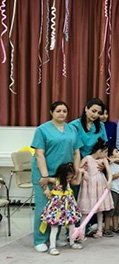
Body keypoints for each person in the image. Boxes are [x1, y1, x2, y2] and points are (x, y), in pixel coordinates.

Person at [31, 101, 82, 253]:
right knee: (44, 207)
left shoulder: (71, 129)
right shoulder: (42, 130)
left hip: (63, 175)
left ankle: (55, 237)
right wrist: (45, 176)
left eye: (64, 111)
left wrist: (75, 172)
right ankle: (40, 240)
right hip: (44, 173)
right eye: (58, 111)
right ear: (51, 112)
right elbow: (39, 154)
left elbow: (76, 152)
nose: (62, 113)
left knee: (61, 207)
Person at [39, 163, 82, 255]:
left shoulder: (68, 182)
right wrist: (46, 189)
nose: (69, 179)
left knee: (72, 225)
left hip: (68, 206)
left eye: (70, 177)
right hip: (57, 207)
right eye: (68, 177)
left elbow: (77, 182)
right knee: (54, 227)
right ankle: (52, 247)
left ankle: (72, 242)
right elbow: (44, 180)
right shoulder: (56, 180)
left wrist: (80, 172)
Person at [77, 139, 114, 238]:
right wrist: (84, 172)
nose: (106, 154)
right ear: (99, 151)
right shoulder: (87, 158)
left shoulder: (103, 160)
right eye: (105, 152)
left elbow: (109, 172)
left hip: (100, 183)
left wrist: (109, 181)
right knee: (85, 210)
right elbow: (79, 169)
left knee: (99, 209)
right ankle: (81, 232)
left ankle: (99, 230)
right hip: (88, 184)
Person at [105, 147, 119, 235]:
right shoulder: (110, 166)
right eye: (116, 151)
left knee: (117, 211)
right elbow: (111, 177)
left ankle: (115, 227)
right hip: (113, 189)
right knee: (110, 211)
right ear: (111, 156)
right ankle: (107, 228)